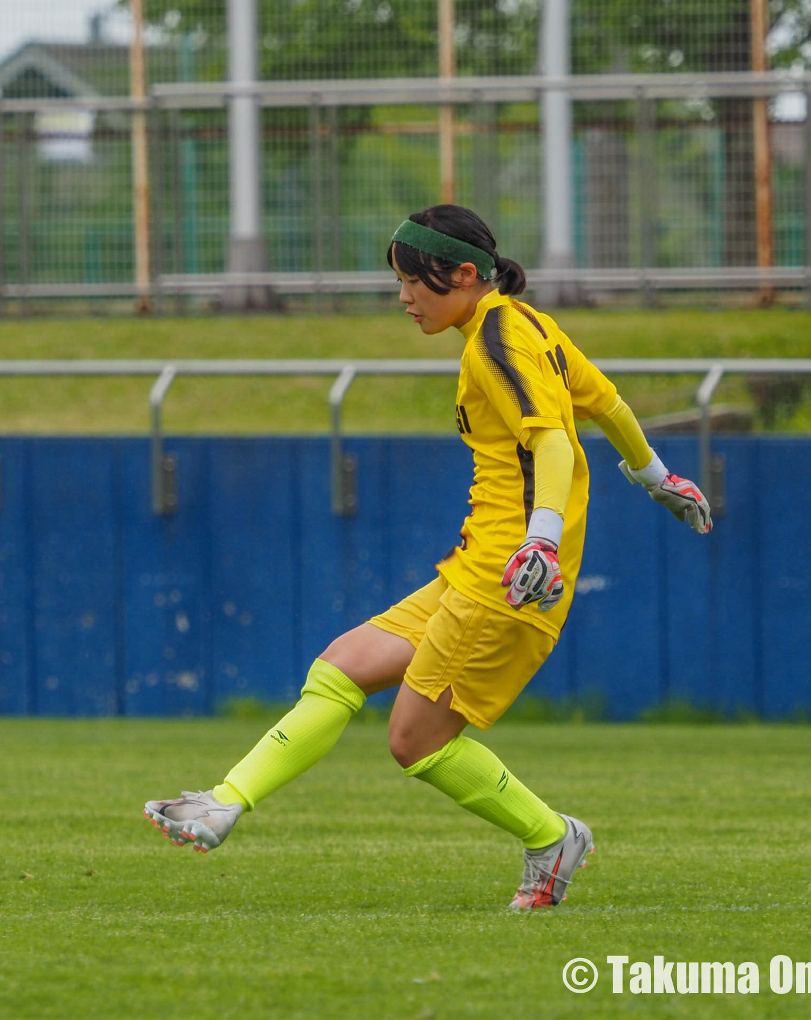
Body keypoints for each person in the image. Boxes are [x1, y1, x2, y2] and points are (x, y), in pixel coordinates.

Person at [144, 204, 713, 909]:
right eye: (400, 282)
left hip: (508, 575)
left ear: (465, 274)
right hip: (478, 564)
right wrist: (657, 477)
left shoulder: (497, 343)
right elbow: (606, 401)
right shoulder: (526, 325)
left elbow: (556, 442)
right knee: (342, 664)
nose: (405, 298)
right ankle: (224, 802)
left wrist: (540, 537)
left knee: (415, 740)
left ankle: (550, 837)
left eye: (416, 282)